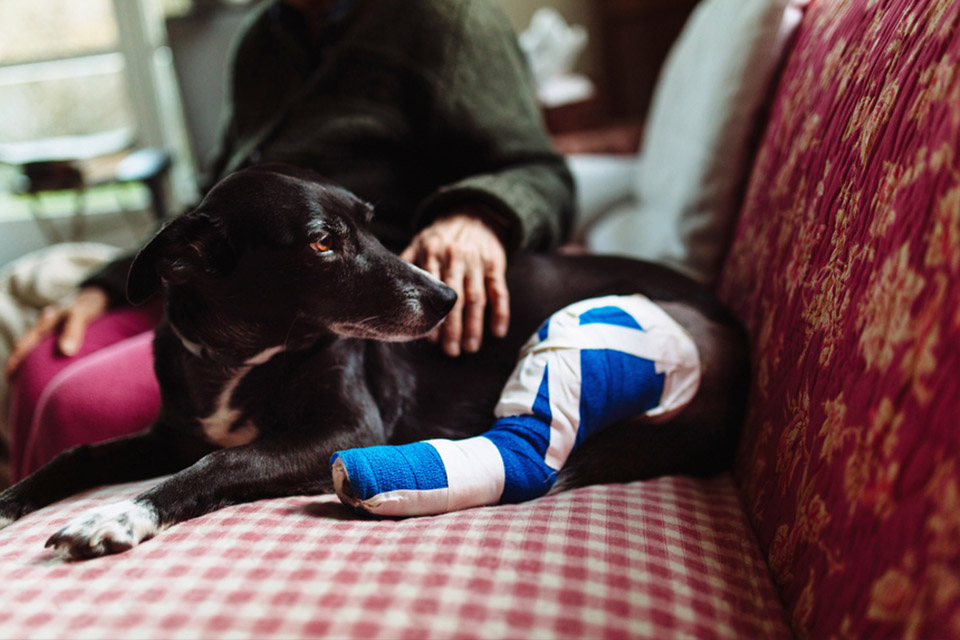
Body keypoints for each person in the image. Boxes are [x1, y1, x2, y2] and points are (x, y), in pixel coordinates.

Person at [4, 0, 574, 482]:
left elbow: (540, 173)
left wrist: (478, 214)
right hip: (230, 277)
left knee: (72, 406)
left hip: (333, 286)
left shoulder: (449, 22)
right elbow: (214, 199)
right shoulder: (262, 36)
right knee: (38, 363)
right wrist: (104, 285)